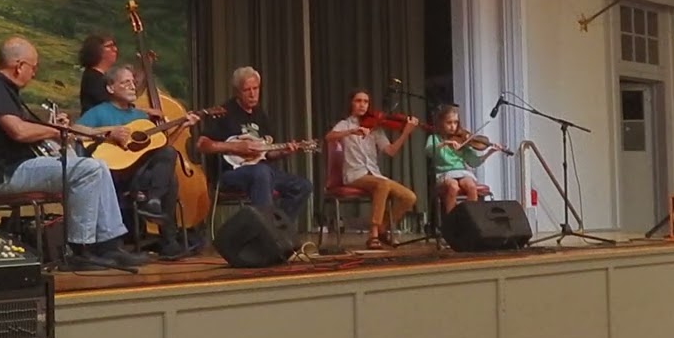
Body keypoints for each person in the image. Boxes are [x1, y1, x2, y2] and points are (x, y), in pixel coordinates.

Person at [0, 37, 148, 269]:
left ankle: (110, 245)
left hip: (18, 167)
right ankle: (80, 249)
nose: (33, 74)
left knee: (99, 165)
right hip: (6, 173)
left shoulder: (4, 89)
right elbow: (18, 131)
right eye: (33, 67)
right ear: (19, 66)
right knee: (88, 169)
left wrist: (52, 127)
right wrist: (54, 131)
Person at [77, 65, 200, 260]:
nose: (132, 86)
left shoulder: (140, 117)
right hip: (115, 174)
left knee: (168, 155)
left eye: (133, 82)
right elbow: (75, 131)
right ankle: (168, 239)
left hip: (142, 175)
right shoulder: (99, 112)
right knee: (169, 179)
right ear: (110, 88)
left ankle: (153, 201)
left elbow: (160, 147)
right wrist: (109, 131)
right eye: (125, 82)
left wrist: (182, 125)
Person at [197, 66, 312, 222]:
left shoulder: (260, 114)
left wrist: (284, 151)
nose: (253, 94)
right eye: (247, 90)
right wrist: (235, 147)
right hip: (230, 174)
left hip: (262, 171)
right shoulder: (223, 112)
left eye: (256, 88)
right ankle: (266, 232)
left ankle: (276, 228)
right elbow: (202, 145)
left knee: (302, 186)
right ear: (237, 92)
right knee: (262, 172)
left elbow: (267, 152)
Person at [325, 89, 418, 249]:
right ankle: (373, 234)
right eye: (358, 101)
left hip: (374, 174)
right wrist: (352, 131)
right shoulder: (345, 124)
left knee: (409, 197)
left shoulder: (375, 128)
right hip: (355, 175)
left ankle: (383, 227)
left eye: (366, 102)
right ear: (351, 103)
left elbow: (390, 151)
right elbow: (329, 137)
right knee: (383, 185)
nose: (362, 105)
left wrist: (405, 133)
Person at [424, 105, 505, 215]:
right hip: (443, 173)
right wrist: (445, 143)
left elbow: (474, 162)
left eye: (456, 122)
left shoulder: (462, 140)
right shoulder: (434, 139)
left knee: (471, 186)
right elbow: (429, 151)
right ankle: (451, 222)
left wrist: (490, 152)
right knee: (453, 186)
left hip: (461, 172)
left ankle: (471, 219)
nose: (453, 126)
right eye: (449, 123)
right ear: (441, 123)